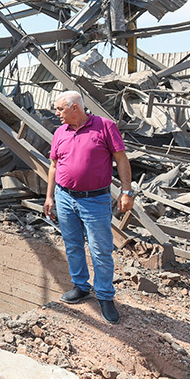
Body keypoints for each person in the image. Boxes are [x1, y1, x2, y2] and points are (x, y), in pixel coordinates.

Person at [43, 91, 134, 324]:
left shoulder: (104, 126)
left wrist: (126, 191)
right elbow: (54, 165)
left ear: (75, 108)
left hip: (94, 200)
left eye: (60, 109)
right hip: (64, 197)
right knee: (73, 245)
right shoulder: (59, 132)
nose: (56, 113)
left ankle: (104, 296)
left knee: (100, 250)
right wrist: (50, 196)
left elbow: (121, 159)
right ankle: (81, 287)